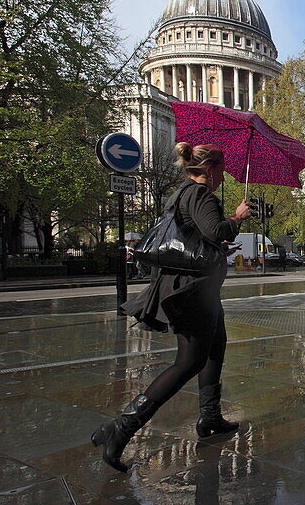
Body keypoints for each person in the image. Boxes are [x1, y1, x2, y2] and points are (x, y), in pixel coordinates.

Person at [91, 143, 252, 471]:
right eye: (221, 171)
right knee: (188, 362)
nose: (223, 177)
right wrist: (236, 218)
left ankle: (210, 418)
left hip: (195, 288)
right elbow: (212, 229)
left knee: (215, 347)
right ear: (209, 170)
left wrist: (218, 244)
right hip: (192, 291)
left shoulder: (181, 193)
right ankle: (121, 429)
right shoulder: (201, 194)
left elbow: (195, 236)